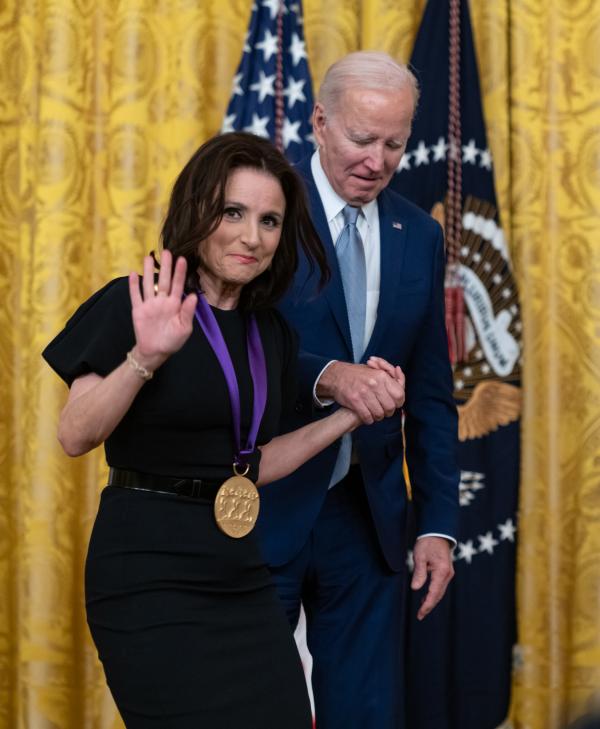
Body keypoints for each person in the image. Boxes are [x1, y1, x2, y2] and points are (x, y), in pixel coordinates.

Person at [42, 132, 404, 729]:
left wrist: (349, 417)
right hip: (147, 573)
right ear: (198, 211)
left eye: (269, 220)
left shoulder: (273, 334)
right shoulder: (139, 302)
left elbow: (252, 461)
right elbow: (75, 435)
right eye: (233, 212)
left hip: (238, 570)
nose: (251, 236)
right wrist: (145, 356)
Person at [256, 51, 460, 728]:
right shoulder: (260, 212)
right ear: (319, 121)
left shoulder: (421, 234)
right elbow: (229, 344)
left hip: (368, 518)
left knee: (367, 715)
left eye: (395, 143)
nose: (377, 160)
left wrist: (436, 523)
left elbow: (431, 389)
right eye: (361, 139)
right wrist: (326, 376)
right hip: (260, 504)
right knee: (245, 705)